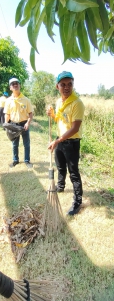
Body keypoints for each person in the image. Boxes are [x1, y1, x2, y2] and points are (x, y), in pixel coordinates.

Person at [47, 71, 85, 216]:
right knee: (60, 167)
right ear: (57, 86)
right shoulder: (59, 102)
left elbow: (74, 127)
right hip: (60, 139)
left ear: (73, 84)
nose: (67, 87)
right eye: (63, 84)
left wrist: (57, 141)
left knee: (74, 173)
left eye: (70, 84)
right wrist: (52, 115)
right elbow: (60, 119)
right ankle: (60, 186)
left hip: (71, 143)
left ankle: (77, 202)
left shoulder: (77, 103)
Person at [4, 77, 33, 168]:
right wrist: (6, 124)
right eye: (13, 84)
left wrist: (27, 123)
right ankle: (15, 160)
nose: (15, 85)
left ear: (19, 85)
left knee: (26, 144)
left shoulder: (26, 100)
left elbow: (30, 114)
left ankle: (27, 161)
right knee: (14, 144)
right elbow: (7, 114)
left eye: (17, 83)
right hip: (13, 125)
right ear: (10, 88)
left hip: (24, 124)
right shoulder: (8, 100)